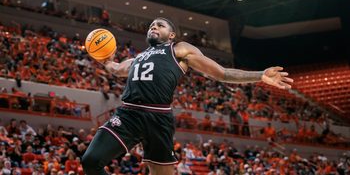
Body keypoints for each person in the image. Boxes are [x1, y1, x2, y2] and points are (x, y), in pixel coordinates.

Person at [82, 17, 293, 175]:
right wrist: (106, 59)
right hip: (129, 115)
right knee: (91, 160)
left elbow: (222, 73)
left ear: (172, 35)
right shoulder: (138, 58)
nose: (153, 26)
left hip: (159, 119)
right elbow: (117, 69)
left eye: (160, 25)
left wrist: (260, 75)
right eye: (151, 25)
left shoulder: (178, 49)